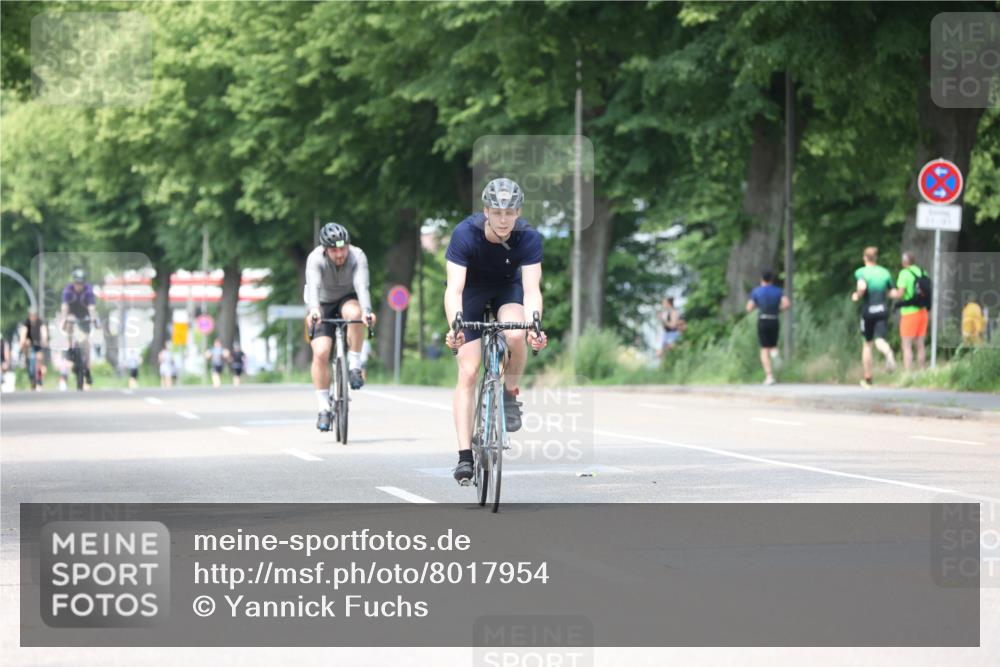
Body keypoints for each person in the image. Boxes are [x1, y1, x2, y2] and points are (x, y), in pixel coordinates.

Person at [444, 177, 548, 485]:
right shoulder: (465, 233)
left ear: (518, 212)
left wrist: (534, 324)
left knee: (515, 334)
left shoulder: (528, 237)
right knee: (469, 370)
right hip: (471, 292)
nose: (504, 219)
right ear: (487, 210)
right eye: (497, 212)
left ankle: (509, 394)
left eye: (510, 212)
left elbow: (531, 290)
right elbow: (454, 289)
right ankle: (465, 457)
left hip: (507, 289)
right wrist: (456, 325)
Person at [305, 222, 376, 431]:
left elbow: (362, 286)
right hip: (322, 302)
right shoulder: (315, 258)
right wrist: (314, 310)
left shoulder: (357, 256)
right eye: (334, 250)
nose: (339, 254)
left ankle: (354, 365)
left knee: (355, 314)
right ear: (325, 249)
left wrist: (367, 311)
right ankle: (324, 407)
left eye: (343, 248)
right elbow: (314, 287)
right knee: (321, 352)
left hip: (347, 298)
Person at [851, 246, 896, 388]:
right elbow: (893, 292)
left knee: (867, 344)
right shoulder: (884, 273)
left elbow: (862, 287)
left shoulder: (861, 272)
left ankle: (868, 378)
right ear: (876, 258)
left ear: (864, 258)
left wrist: (857, 295)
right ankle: (888, 353)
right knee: (880, 340)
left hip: (868, 311)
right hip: (882, 309)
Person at [746, 270, 790, 385]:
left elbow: (749, 307)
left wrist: (757, 306)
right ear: (771, 279)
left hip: (763, 320)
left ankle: (769, 376)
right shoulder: (778, 291)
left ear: (762, 279)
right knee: (773, 345)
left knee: (764, 349)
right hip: (774, 319)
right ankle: (775, 355)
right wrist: (778, 310)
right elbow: (787, 304)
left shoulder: (756, 291)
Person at [889, 251, 929, 371]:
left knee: (906, 345)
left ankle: (908, 374)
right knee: (920, 345)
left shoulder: (904, 273)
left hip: (909, 313)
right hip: (923, 312)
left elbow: (900, 294)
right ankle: (922, 372)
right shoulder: (922, 272)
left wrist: (891, 293)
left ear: (904, 261)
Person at [59, 268, 99, 390]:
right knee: (69, 323)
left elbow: (92, 308)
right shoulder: (68, 291)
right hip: (72, 315)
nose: (79, 286)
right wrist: (63, 320)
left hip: (84, 316)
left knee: (85, 340)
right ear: (73, 282)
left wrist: (94, 320)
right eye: (77, 283)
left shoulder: (88, 291)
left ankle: (86, 367)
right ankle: (70, 347)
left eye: (81, 283)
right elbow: (65, 307)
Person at [18, 308, 49, 391]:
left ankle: (39, 381)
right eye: (31, 315)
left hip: (38, 344)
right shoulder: (26, 323)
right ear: (29, 316)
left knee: (39, 360)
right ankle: (25, 359)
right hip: (29, 345)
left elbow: (44, 332)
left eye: (34, 315)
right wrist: (22, 342)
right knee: (26, 346)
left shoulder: (40, 322)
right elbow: (23, 334)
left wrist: (44, 340)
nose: (33, 317)